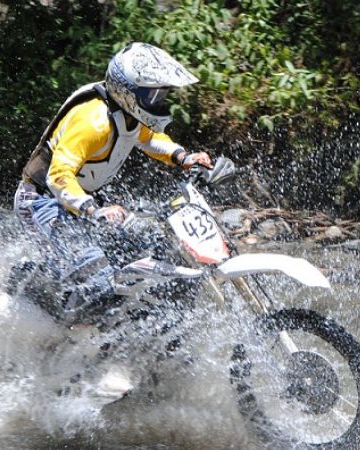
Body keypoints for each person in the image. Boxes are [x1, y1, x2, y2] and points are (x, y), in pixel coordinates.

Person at [13, 42, 212, 319]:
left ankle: (131, 331)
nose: (158, 101)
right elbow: (58, 176)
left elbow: (149, 138)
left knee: (148, 251)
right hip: (42, 201)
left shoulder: (127, 115)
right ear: (128, 90)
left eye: (162, 94)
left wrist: (183, 157)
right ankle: (66, 331)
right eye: (153, 95)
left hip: (81, 203)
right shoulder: (93, 121)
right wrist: (96, 211)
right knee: (99, 280)